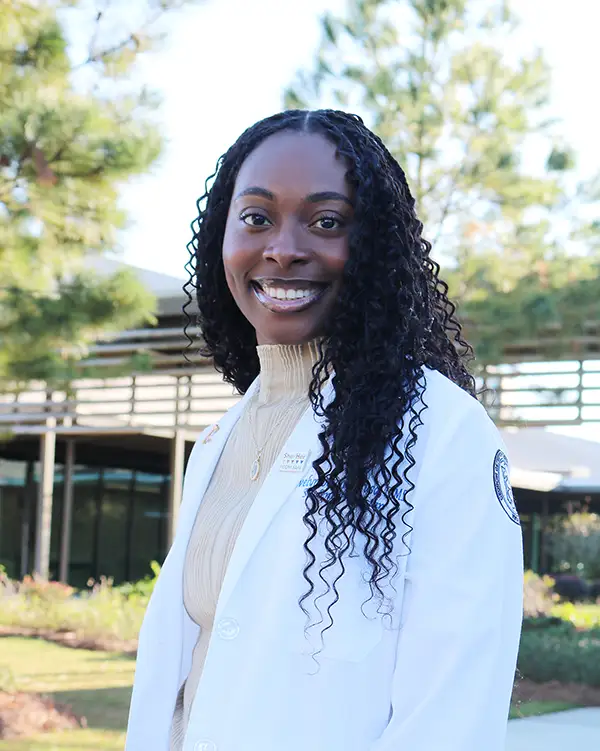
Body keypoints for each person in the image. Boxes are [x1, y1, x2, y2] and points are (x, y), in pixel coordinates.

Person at [125, 109, 524, 751]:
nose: (282, 248)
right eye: (256, 217)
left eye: (327, 221)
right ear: (219, 239)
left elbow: (452, 715)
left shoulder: (444, 435)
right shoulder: (217, 442)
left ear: (374, 248)